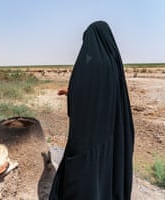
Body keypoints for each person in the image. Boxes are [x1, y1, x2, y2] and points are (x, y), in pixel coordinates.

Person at [49, 21, 135, 200]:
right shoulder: (112, 64)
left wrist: (71, 93)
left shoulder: (88, 65)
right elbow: (103, 95)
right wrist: (70, 91)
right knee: (104, 170)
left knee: (83, 172)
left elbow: (84, 93)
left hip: (88, 136)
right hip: (110, 131)